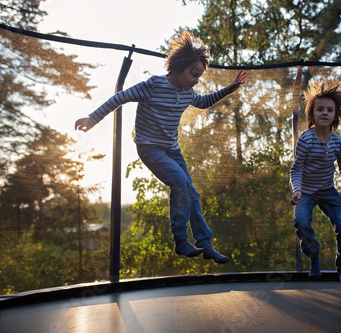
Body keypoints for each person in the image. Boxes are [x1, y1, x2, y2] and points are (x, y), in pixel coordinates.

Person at [75, 31, 247, 264]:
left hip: (172, 150)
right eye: (194, 74)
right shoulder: (153, 86)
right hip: (150, 148)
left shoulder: (188, 93)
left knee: (192, 194)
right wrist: (93, 118)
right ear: (178, 68)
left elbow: (204, 102)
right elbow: (119, 98)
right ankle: (180, 240)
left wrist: (228, 89)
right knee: (179, 180)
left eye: (199, 76)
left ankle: (205, 244)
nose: (196, 80)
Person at [289, 78, 341, 294]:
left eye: (329, 110)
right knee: (300, 221)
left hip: (328, 191)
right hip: (306, 191)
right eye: (320, 109)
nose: (324, 113)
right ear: (312, 115)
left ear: (335, 115)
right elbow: (296, 168)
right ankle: (314, 255)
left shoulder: (338, 143)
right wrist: (296, 190)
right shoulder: (305, 140)